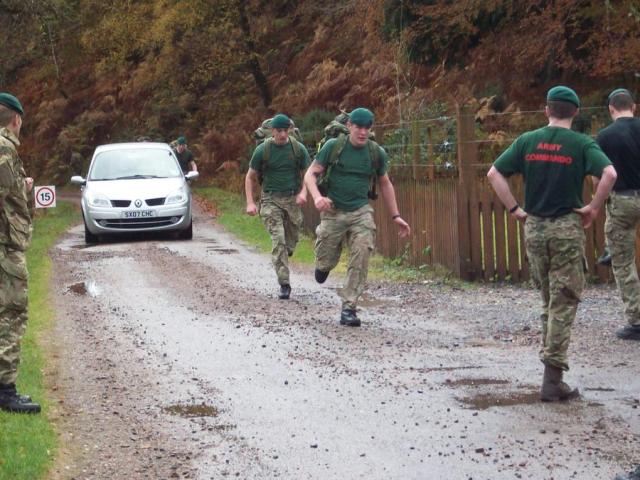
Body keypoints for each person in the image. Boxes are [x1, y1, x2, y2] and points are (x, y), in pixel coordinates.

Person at [487, 86, 617, 402]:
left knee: (548, 299)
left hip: (534, 229)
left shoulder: (527, 141)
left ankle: (550, 373)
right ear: (574, 112)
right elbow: (610, 174)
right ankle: (552, 379)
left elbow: (494, 173)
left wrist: (516, 210)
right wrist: (594, 207)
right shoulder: (582, 143)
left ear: (547, 110)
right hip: (566, 230)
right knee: (565, 299)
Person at [304, 108, 411, 327]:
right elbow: (310, 173)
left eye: (367, 128)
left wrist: (396, 216)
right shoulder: (334, 147)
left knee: (362, 252)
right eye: (358, 127)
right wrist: (316, 197)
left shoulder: (375, 152)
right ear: (350, 126)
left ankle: (349, 308)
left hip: (361, 211)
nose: (362, 132)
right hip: (333, 210)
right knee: (326, 258)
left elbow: (385, 183)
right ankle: (323, 265)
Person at [0, 92, 40, 413]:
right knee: (11, 313)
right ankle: (5, 391)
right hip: (5, 248)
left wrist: (23, 189)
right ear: (16, 119)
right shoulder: (4, 150)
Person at [245, 114, 311, 300]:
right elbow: (250, 177)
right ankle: (284, 283)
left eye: (286, 130)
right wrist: (250, 202)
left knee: (290, 241)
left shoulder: (298, 149)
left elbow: (309, 174)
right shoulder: (263, 150)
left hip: (292, 200)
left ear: (289, 130)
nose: (282, 134)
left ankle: (285, 252)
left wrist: (304, 192)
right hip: (270, 200)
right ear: (272, 131)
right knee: (279, 239)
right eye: (279, 131)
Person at [596, 88, 640, 340]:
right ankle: (608, 248)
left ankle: (636, 321)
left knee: (624, 263)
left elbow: (601, 174)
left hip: (622, 200)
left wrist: (596, 202)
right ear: (633, 106)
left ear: (611, 108)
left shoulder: (605, 136)